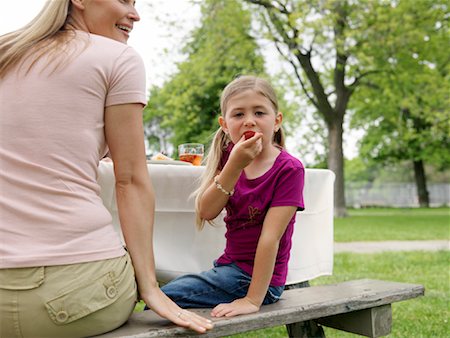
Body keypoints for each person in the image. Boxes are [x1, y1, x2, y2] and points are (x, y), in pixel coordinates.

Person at [0, 1, 212, 337]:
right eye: (125, 0)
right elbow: (130, 181)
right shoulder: (118, 57)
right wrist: (151, 287)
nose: (135, 14)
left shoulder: (6, 52)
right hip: (74, 298)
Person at [160, 75, 305, 317]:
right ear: (224, 124)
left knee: (163, 298)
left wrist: (251, 300)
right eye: (238, 115)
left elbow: (271, 239)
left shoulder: (289, 169)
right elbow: (207, 211)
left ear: (277, 121)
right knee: (155, 296)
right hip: (230, 268)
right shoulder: (230, 157)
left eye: (259, 113)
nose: (249, 121)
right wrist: (234, 166)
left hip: (261, 282)